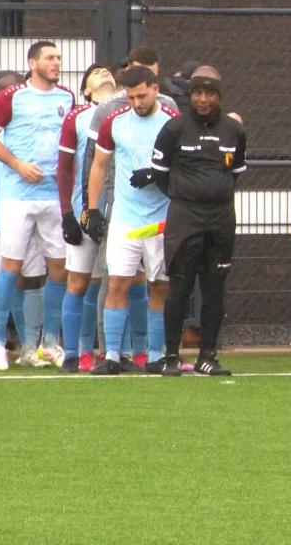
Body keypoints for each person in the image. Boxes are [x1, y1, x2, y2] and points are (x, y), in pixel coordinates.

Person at [0, 41, 76, 370]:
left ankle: (47, 343)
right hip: (18, 195)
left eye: (58, 57)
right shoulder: (11, 96)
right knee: (10, 266)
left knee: (59, 268)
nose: (56, 62)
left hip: (53, 196)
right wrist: (18, 165)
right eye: (50, 58)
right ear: (33, 63)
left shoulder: (67, 97)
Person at [146, 65, 247, 376]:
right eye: (198, 93)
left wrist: (214, 194)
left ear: (219, 96)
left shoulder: (234, 131)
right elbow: (160, 175)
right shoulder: (175, 128)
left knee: (215, 287)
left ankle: (207, 356)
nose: (203, 99)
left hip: (221, 219)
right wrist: (186, 196)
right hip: (185, 218)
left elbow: (235, 173)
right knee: (179, 286)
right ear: (191, 95)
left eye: (209, 94)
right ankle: (171, 356)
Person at [84, 65, 179, 375]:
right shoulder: (114, 121)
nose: (137, 103)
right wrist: (93, 209)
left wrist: (156, 174)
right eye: (131, 97)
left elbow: (184, 164)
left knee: (159, 286)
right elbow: (99, 165)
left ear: (155, 89)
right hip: (125, 217)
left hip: (161, 219)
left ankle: (156, 355)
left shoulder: (172, 121)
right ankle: (112, 355)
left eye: (142, 96)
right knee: (117, 283)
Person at [0, 71, 48, 367]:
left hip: (32, 214)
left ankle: (30, 348)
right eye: (8, 94)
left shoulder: (37, 126)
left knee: (33, 280)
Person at [55, 64, 117, 372]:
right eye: (96, 72)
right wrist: (67, 213)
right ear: (85, 91)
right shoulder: (76, 117)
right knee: (78, 281)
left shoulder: (126, 113)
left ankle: (119, 351)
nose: (104, 71)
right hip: (84, 211)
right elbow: (65, 168)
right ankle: (73, 352)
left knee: (118, 283)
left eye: (107, 70)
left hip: (118, 212)